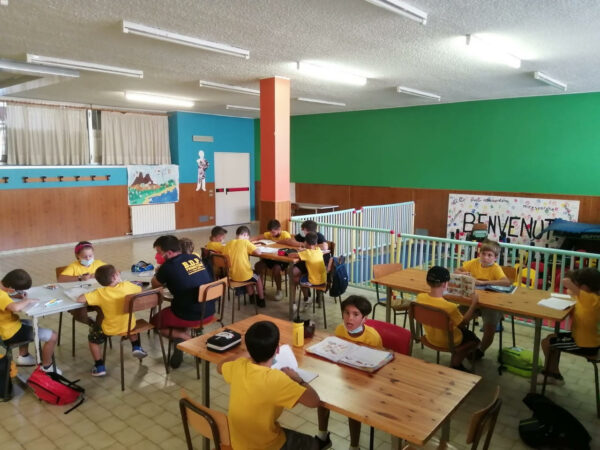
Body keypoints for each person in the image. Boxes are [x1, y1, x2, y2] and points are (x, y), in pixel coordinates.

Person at [217, 320, 322, 450]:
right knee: (312, 444)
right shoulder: (277, 379)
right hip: (266, 445)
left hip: (238, 443)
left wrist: (245, 354)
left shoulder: (239, 366)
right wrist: (297, 378)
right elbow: (314, 401)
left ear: (249, 349)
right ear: (277, 349)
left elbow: (220, 366)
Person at [317, 295, 382, 449]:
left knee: (353, 405)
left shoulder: (372, 337)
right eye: (346, 313)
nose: (349, 318)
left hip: (363, 382)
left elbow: (377, 365)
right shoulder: (340, 330)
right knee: (321, 394)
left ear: (364, 318)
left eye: (355, 314)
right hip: (342, 375)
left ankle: (354, 446)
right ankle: (322, 435)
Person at [150, 235, 214, 369]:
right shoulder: (194, 258)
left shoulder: (167, 267)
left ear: (169, 253)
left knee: (155, 322)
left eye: (159, 252)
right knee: (181, 307)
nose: (157, 256)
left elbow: (155, 284)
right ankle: (180, 340)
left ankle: (190, 342)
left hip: (190, 315)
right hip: (209, 311)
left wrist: (159, 272)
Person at [76, 264, 146, 376]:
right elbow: (139, 288)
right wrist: (123, 282)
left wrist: (86, 293)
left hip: (109, 328)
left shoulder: (100, 293)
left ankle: (99, 366)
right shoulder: (127, 286)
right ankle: (136, 346)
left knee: (93, 339)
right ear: (114, 277)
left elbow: (80, 299)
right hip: (129, 325)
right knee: (129, 325)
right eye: (117, 273)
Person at [539, 268, 600, 386]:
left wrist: (572, 279)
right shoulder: (589, 298)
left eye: (578, 285)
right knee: (551, 337)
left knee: (547, 343)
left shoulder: (592, 299)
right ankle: (554, 373)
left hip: (584, 345)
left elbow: (566, 282)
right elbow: (571, 292)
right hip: (586, 340)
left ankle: (550, 374)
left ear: (585, 287)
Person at [417, 266, 480, 371]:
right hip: (450, 341)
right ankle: (456, 363)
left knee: (463, 332)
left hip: (430, 337)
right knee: (474, 339)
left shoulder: (420, 297)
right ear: (445, 284)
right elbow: (463, 323)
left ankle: (456, 359)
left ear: (427, 282)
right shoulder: (450, 307)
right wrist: (473, 304)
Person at [455, 239, 510, 359]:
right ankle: (462, 343)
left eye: (489, 255)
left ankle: (481, 349)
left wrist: (483, 282)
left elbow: (506, 282)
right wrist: (462, 273)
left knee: (489, 326)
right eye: (483, 254)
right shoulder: (474, 262)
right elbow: (457, 270)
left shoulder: (495, 268)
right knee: (456, 317)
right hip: (472, 301)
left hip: (491, 304)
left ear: (495, 258)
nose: (485, 257)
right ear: (479, 254)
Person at [0, 269, 61, 374]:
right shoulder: (1, 295)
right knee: (53, 336)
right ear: (11, 288)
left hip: (5, 326)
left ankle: (24, 356)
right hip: (8, 333)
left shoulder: (3, 290)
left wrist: (13, 296)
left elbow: (5, 298)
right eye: (19, 291)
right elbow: (15, 308)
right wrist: (27, 300)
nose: (20, 292)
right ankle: (47, 366)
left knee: (29, 323)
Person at [58, 241, 108, 325]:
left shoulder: (98, 263)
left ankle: (98, 328)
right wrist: (79, 278)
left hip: (94, 295)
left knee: (105, 309)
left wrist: (99, 274)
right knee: (81, 314)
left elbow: (113, 271)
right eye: (84, 257)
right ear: (78, 256)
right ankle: (92, 324)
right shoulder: (74, 266)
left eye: (90, 256)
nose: (88, 259)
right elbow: (61, 279)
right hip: (78, 298)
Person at [223, 226, 266, 307]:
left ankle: (251, 297)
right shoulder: (245, 242)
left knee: (247, 277)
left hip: (232, 276)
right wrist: (254, 247)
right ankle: (261, 299)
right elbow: (258, 253)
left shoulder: (228, 244)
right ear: (245, 235)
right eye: (248, 237)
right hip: (244, 275)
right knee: (257, 277)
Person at [253, 219, 292, 301]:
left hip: (282, 259)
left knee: (276, 268)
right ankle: (261, 288)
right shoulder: (269, 234)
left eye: (273, 232)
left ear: (279, 229)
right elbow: (258, 237)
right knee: (258, 266)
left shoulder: (285, 234)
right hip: (270, 257)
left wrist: (276, 242)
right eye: (270, 232)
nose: (271, 234)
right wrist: (245, 241)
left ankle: (279, 290)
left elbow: (288, 243)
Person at [293, 232, 327, 311]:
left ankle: (307, 299)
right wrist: (304, 250)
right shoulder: (318, 250)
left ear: (305, 242)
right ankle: (307, 298)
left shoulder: (307, 253)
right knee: (302, 275)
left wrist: (296, 252)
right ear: (316, 243)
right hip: (323, 279)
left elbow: (292, 255)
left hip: (314, 281)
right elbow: (310, 252)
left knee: (296, 279)